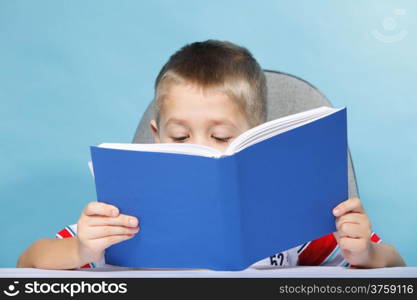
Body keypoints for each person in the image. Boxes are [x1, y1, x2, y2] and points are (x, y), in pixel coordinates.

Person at [17, 40, 405, 269]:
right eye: (181, 136)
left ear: (256, 139)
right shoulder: (125, 214)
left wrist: (366, 251)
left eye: (220, 137)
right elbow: (28, 262)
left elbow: (396, 266)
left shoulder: (291, 210)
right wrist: (81, 248)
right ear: (156, 136)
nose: (201, 149)